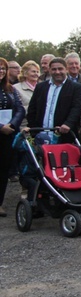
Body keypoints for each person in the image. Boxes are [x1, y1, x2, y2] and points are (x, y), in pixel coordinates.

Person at [26, 57, 81, 144]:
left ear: (66, 69)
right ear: (49, 70)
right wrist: (34, 129)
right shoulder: (41, 87)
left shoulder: (76, 88)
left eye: (60, 69)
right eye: (54, 69)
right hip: (40, 135)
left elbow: (76, 108)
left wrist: (68, 124)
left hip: (64, 135)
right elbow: (32, 108)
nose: (57, 72)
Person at [0, 58, 26, 217]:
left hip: (7, 135)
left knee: (3, 170)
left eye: (3, 68)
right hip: (2, 130)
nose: (1, 71)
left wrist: (12, 125)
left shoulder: (10, 89)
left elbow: (20, 109)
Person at [13, 61, 40, 125]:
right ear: (25, 73)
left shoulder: (42, 87)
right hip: (23, 124)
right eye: (33, 71)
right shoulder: (15, 88)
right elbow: (16, 109)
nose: (36, 74)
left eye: (37, 72)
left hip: (39, 124)